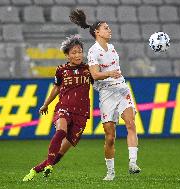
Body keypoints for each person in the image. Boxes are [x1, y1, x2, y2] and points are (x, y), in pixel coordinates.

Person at [70, 9, 141, 181]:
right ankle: (110, 171)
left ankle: (133, 163)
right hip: (107, 93)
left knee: (131, 123)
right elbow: (94, 75)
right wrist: (110, 74)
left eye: (109, 28)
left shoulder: (112, 48)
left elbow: (114, 72)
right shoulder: (93, 52)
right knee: (110, 136)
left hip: (121, 89)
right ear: (97, 32)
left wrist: (115, 76)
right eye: (106, 28)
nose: (109, 30)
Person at [23, 35, 92, 181]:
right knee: (61, 130)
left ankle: (35, 170)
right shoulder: (61, 70)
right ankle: (49, 167)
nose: (78, 55)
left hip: (81, 114)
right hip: (64, 107)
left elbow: (99, 80)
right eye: (74, 52)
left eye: (80, 51)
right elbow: (56, 89)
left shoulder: (88, 69)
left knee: (60, 153)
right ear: (67, 55)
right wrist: (46, 104)